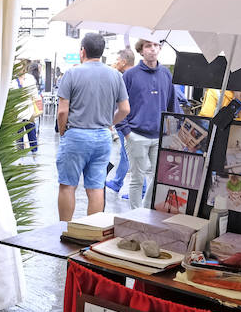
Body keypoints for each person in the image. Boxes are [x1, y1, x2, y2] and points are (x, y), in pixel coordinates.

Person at [57, 33, 129, 221]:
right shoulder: (115, 75)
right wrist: (109, 124)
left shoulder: (72, 73)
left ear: (82, 51)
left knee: (67, 185)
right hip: (102, 137)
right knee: (96, 187)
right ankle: (91, 233)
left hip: (76, 135)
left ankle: (64, 229)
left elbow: (62, 112)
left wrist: (63, 131)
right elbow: (125, 109)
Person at [116, 38, 176, 207]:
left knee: (158, 177)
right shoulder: (130, 75)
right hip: (136, 134)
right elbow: (119, 105)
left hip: (159, 136)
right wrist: (127, 132)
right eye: (148, 46)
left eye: (156, 45)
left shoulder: (166, 74)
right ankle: (135, 215)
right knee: (137, 178)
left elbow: (172, 106)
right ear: (141, 50)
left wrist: (172, 134)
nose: (153, 49)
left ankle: (146, 211)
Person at [104, 48, 136, 195]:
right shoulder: (135, 76)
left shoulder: (127, 77)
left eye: (117, 59)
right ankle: (118, 182)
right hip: (132, 123)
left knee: (129, 155)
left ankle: (137, 189)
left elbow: (124, 106)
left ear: (124, 61)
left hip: (128, 123)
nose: (115, 63)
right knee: (129, 155)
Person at [14, 62, 42, 155]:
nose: (21, 69)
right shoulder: (12, 80)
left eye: (22, 67)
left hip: (29, 111)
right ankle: (20, 155)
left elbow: (35, 95)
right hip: (17, 113)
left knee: (32, 135)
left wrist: (38, 109)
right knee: (19, 137)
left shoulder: (30, 78)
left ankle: (34, 153)